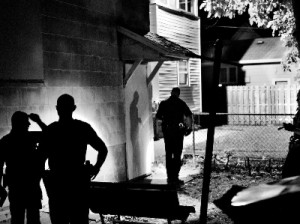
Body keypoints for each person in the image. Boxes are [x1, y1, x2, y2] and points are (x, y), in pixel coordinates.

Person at [39, 94, 108, 224]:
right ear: (74, 108)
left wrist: (45, 178)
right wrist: (96, 167)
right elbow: (103, 149)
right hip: (78, 181)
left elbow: (40, 158)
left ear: (57, 108)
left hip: (57, 182)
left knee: (59, 219)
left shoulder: (51, 130)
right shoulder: (82, 128)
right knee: (79, 218)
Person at [0, 111, 46, 224]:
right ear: (20, 124)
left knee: (17, 218)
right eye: (26, 122)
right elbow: (50, 135)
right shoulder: (31, 138)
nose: (29, 124)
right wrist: (39, 121)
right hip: (31, 186)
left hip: (16, 187)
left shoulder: (5, 141)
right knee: (33, 219)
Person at [156, 87, 192, 184]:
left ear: (171, 93)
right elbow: (189, 115)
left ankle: (169, 176)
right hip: (178, 132)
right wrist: (189, 128)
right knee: (177, 154)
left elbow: (158, 117)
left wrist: (159, 130)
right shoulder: (181, 103)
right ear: (178, 94)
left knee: (168, 153)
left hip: (167, 131)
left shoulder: (164, 104)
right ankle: (175, 176)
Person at [282, 89, 300, 178]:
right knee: (288, 174)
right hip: (296, 147)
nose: (297, 101)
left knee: (290, 175)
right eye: (297, 98)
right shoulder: (299, 112)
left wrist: (293, 129)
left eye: (299, 98)